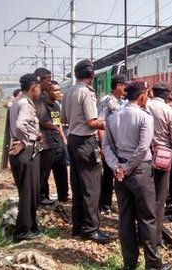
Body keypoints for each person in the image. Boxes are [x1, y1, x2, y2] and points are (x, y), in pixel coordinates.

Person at [102, 81, 172, 270]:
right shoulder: (144, 117)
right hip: (139, 170)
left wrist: (117, 166)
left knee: (125, 218)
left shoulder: (113, 117)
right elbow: (143, 148)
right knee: (148, 218)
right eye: (147, 95)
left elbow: (106, 146)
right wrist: (127, 167)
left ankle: (129, 263)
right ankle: (153, 264)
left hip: (120, 174)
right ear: (142, 96)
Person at [61, 59, 109, 244]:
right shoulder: (86, 93)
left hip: (73, 139)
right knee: (91, 185)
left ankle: (78, 225)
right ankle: (91, 229)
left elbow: (64, 118)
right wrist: (109, 123)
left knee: (78, 183)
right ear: (91, 75)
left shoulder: (69, 92)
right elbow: (92, 122)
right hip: (86, 141)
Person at [146, 82, 172, 244]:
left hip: (145, 152)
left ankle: (146, 219)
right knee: (171, 182)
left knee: (148, 188)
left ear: (153, 92)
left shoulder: (143, 106)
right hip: (164, 154)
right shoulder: (170, 111)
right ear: (168, 94)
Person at [8, 74, 42, 243]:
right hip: (26, 152)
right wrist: (25, 140)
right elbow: (21, 125)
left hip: (21, 153)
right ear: (33, 87)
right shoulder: (26, 104)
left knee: (27, 191)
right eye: (39, 88)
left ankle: (29, 226)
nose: (40, 91)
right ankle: (23, 230)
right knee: (29, 192)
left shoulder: (16, 102)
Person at [35, 80, 69, 204]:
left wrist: (63, 138)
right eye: (55, 90)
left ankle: (63, 196)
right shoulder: (41, 104)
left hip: (57, 142)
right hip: (46, 143)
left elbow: (56, 122)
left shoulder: (55, 105)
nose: (58, 92)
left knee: (61, 169)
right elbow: (44, 121)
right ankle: (43, 196)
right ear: (47, 91)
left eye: (59, 90)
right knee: (44, 171)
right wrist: (56, 128)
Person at [97, 74, 127, 215]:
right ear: (118, 86)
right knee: (108, 174)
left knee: (120, 173)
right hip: (110, 142)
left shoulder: (122, 102)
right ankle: (105, 204)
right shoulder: (106, 101)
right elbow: (100, 123)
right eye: (124, 86)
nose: (125, 88)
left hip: (121, 143)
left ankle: (118, 202)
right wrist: (103, 146)